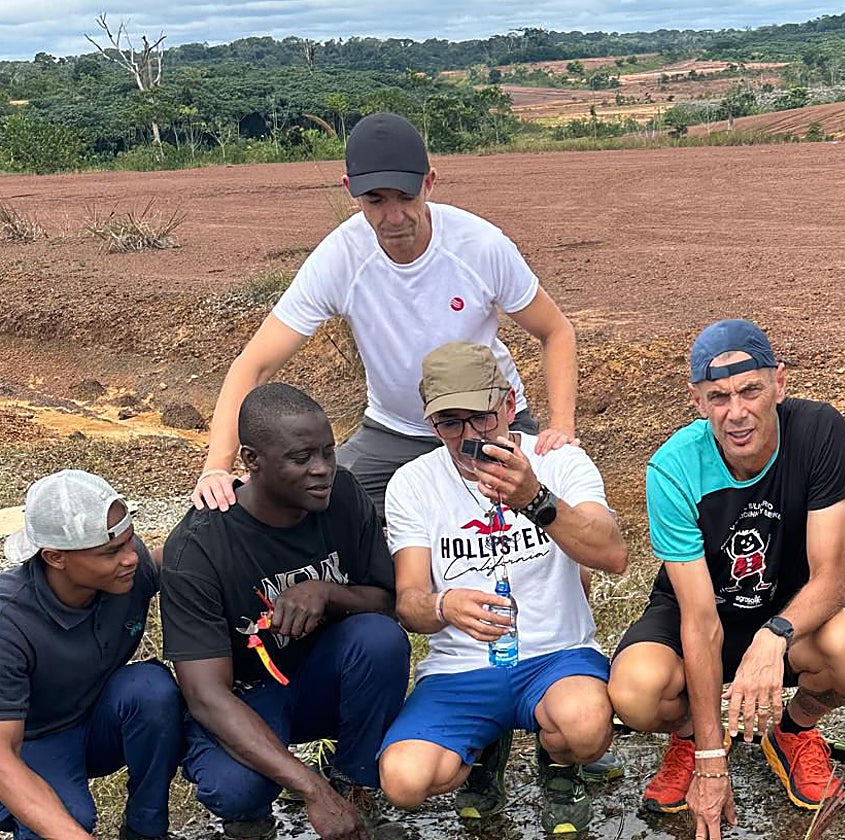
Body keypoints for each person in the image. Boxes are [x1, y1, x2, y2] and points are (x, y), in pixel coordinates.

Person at [191, 111, 578, 514]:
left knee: (546, 518)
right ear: (351, 191)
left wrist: (562, 427)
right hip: (395, 432)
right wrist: (216, 468)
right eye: (375, 200)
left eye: (406, 197)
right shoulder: (340, 258)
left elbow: (555, 332)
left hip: (486, 422)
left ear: (429, 182)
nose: (393, 217)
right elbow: (252, 366)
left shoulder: (480, 246)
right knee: (320, 508)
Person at [607, 319, 845, 840]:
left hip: (787, 609)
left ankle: (793, 731)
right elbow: (700, 620)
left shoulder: (819, 432)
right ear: (697, 400)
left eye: (750, 390)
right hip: (700, 610)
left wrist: (772, 636)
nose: (736, 412)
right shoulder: (672, 467)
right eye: (718, 396)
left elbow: (829, 578)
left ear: (778, 383)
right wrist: (713, 761)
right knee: (636, 690)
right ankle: (691, 737)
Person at [377, 341, 627, 834]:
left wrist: (535, 498)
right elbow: (408, 603)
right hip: (462, 667)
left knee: (584, 727)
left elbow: (613, 554)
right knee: (403, 781)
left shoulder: (557, 461)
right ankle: (485, 747)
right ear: (433, 426)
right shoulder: (412, 483)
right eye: (452, 423)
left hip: (557, 654)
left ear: (509, 404)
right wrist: (444, 605)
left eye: (482, 418)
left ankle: (559, 768)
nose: (469, 436)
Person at [161, 383, 410, 840]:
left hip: (323, 675)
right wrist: (311, 792)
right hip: (247, 694)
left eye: (329, 452)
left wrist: (327, 592)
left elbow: (386, 602)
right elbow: (206, 696)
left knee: (380, 640)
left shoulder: (344, 495)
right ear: (252, 461)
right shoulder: (198, 549)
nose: (323, 471)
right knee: (238, 789)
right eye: (302, 459)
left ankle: (354, 785)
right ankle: (256, 816)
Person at [0, 470, 183, 840]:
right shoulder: (10, 622)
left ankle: (145, 830)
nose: (131, 558)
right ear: (55, 557)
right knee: (66, 822)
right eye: (111, 552)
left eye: (131, 542)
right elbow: (3, 758)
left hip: (91, 721)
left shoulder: (126, 573)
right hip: (30, 741)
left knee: (153, 690)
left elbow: (187, 561)